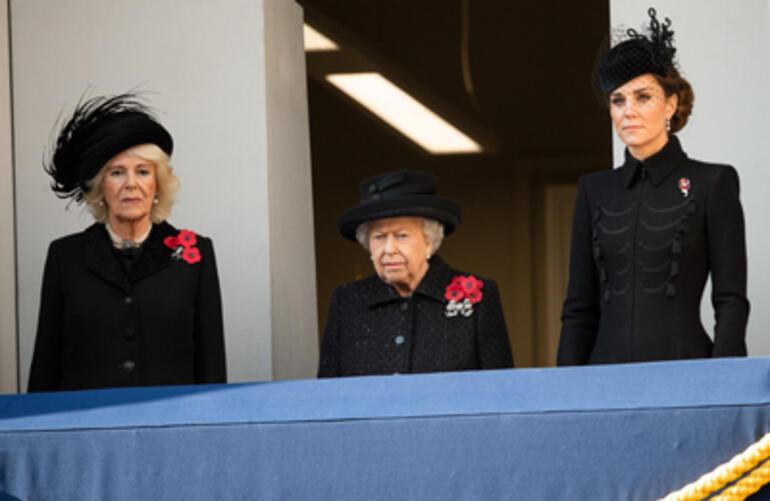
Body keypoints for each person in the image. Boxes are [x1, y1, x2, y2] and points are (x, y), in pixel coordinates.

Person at [558, 9, 749, 365]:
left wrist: (725, 383)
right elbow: (579, 309)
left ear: (670, 105)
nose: (628, 111)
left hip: (687, 370)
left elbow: (730, 301)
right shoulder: (593, 190)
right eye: (618, 100)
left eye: (643, 97)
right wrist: (565, 389)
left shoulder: (713, 183)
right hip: (604, 378)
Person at [28, 93, 226, 391]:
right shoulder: (65, 256)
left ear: (157, 184)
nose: (131, 184)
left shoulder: (195, 254)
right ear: (100, 188)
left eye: (142, 172)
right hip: (88, 418)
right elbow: (46, 362)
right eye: (117, 172)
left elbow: (211, 364)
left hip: (170, 417)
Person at [318, 170, 513, 377]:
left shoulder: (479, 298)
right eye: (379, 237)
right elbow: (328, 389)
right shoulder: (347, 301)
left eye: (402, 236)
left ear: (429, 240)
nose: (389, 249)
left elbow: (501, 386)